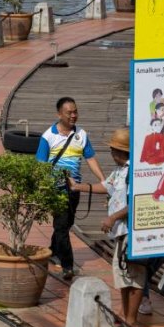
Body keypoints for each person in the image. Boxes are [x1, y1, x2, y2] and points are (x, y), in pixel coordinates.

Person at [71, 129, 138, 327]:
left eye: (112, 150)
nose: (111, 153)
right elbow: (106, 187)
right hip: (119, 231)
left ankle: (132, 321)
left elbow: (135, 202)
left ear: (119, 151)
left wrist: (112, 217)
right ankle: (126, 316)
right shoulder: (119, 171)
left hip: (129, 230)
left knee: (134, 277)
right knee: (122, 276)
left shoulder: (132, 172)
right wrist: (78, 187)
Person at [35, 97, 105, 280]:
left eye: (75, 111)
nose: (73, 115)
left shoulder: (81, 134)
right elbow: (40, 165)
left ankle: (52, 251)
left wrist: (103, 179)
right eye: (69, 112)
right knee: (62, 226)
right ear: (59, 114)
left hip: (75, 189)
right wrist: (42, 188)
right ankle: (67, 265)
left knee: (65, 223)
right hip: (55, 190)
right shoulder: (48, 137)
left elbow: (90, 158)